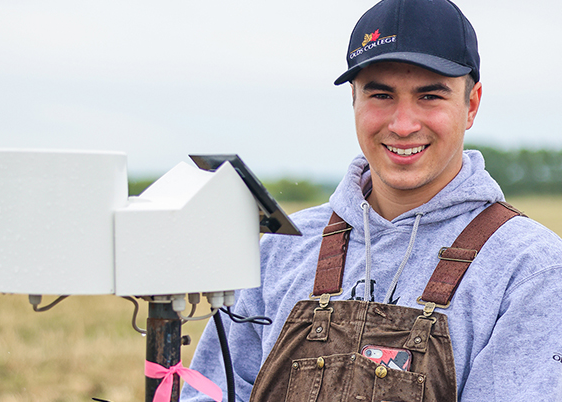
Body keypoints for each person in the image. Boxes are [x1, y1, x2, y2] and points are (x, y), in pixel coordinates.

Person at [182, 0, 562, 400]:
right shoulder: (284, 248)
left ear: (471, 104)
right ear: (354, 99)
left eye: (430, 96)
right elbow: (210, 391)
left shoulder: (531, 270)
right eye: (381, 95)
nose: (402, 125)